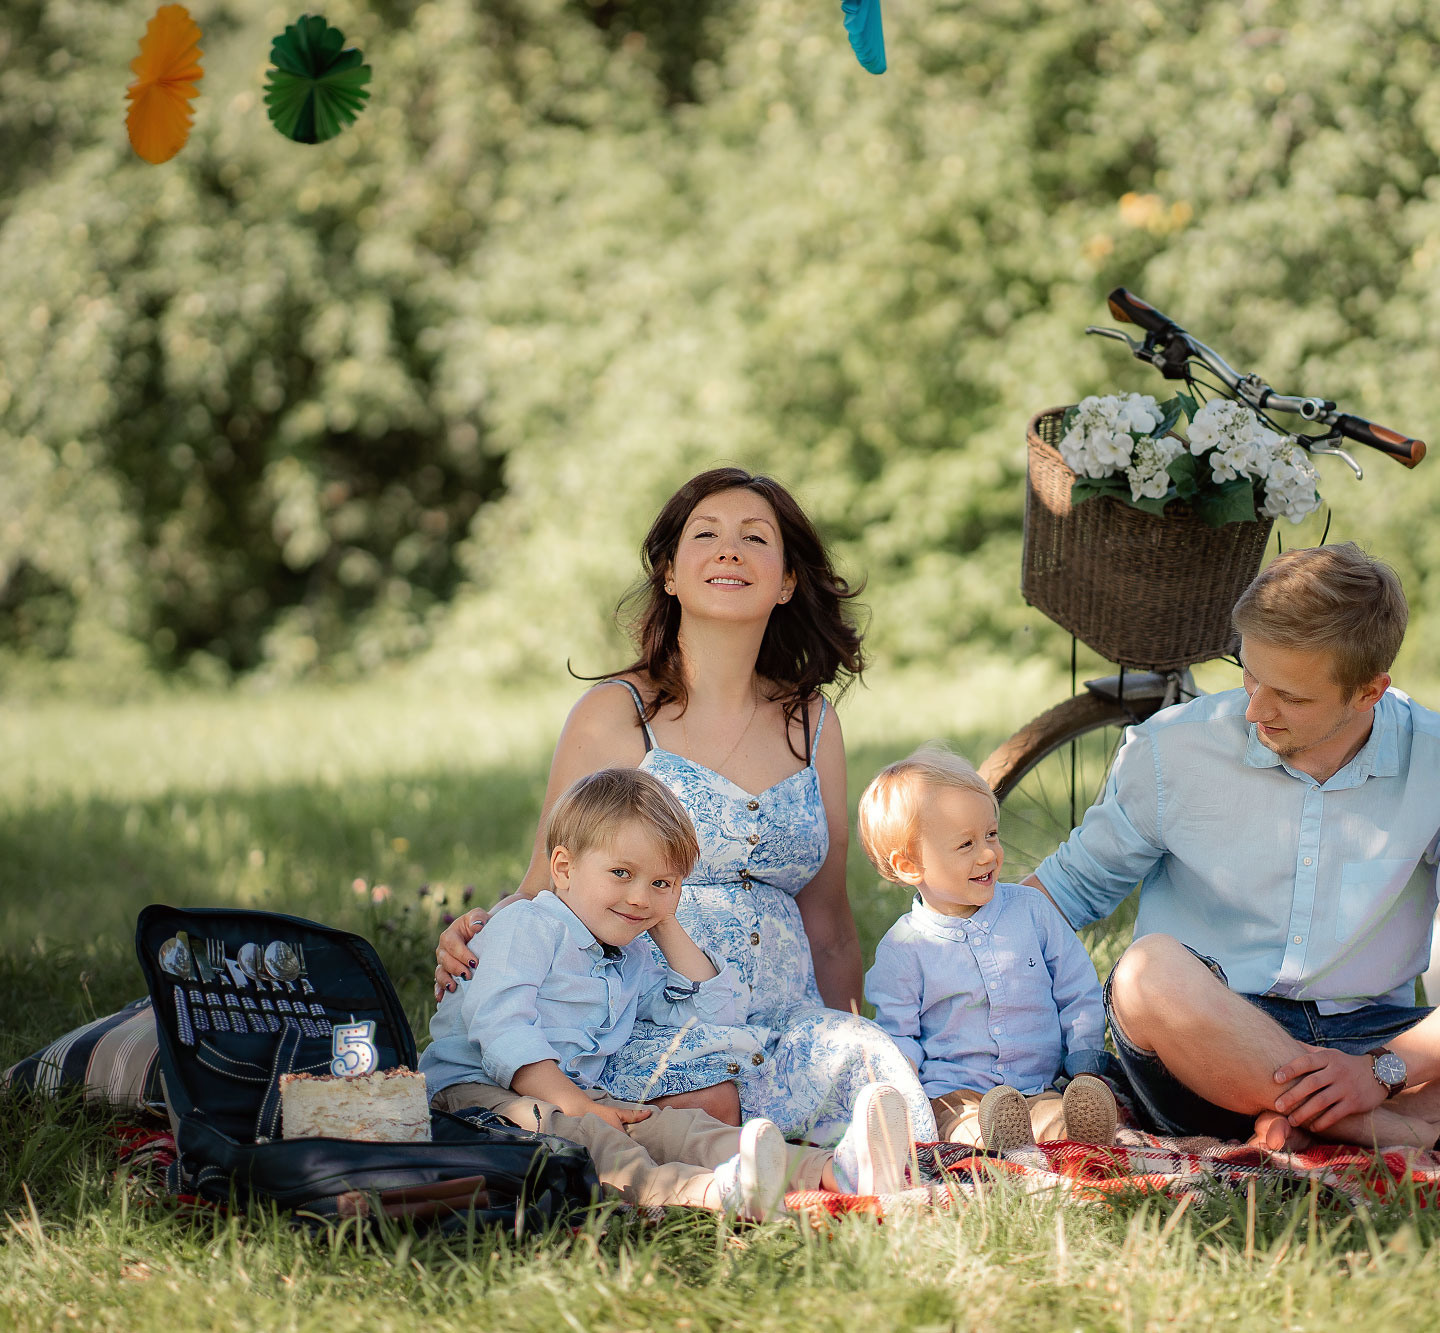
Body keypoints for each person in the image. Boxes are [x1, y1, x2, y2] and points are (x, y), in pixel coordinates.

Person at [1023, 544, 1440, 1151]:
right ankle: (1396, 1133)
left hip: (1371, 1044)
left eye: (1290, 697)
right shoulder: (1171, 750)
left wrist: (1385, 1069)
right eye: (1250, 678)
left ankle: (1332, 1122)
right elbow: (1062, 896)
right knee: (1145, 970)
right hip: (1204, 1047)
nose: (1255, 711)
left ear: (1370, 692)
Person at [435, 468, 937, 1146]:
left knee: (877, 1072)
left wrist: (846, 1021)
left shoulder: (812, 721)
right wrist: (476, 939)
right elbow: (545, 880)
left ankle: (887, 1145)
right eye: (707, 535)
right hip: (649, 1018)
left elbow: (831, 921)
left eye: (755, 538)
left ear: (787, 580)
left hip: (780, 1023)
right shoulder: (617, 715)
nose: (729, 550)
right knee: (716, 1106)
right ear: (670, 572)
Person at [420, 768, 922, 1212]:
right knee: (599, 1139)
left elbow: (713, 1011)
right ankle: (708, 1194)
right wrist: (577, 1104)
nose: (640, 897)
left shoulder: (630, 952)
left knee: (678, 1128)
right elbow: (500, 1028)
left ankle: (832, 1172)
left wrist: (665, 924)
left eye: (663, 882)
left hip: (575, 1094)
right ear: (564, 868)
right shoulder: (527, 927)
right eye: (622, 874)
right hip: (476, 1094)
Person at [858, 745, 1120, 1150]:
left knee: (1050, 1114)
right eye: (966, 845)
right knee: (960, 1125)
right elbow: (899, 1034)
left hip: (1036, 1084)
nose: (988, 854)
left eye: (992, 834)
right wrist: (899, 1093)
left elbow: (1076, 988)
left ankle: (1073, 1128)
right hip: (954, 1092)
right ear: (910, 865)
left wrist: (1085, 1064)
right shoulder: (904, 948)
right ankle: (989, 1136)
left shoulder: (1032, 912)